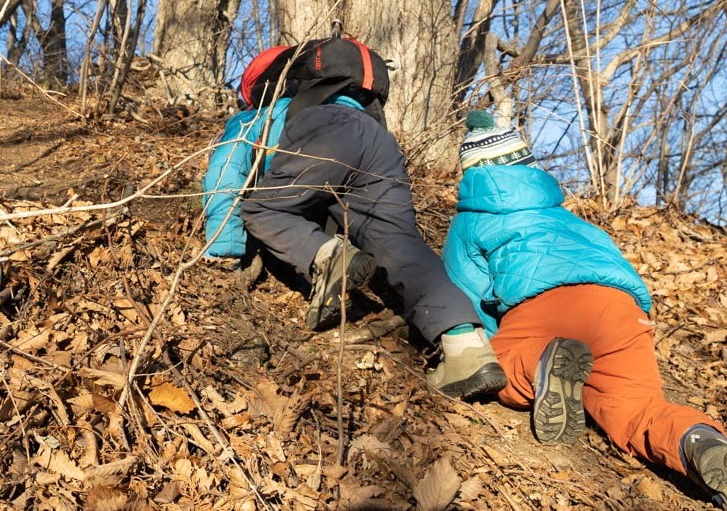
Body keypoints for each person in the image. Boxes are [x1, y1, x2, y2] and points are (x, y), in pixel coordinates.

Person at [442, 109, 727, 511]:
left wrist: (497, 343)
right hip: (623, 313)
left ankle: (541, 362)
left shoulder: (469, 223)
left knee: (496, 362)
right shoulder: (570, 218)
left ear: (469, 176)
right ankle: (697, 438)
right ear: (530, 167)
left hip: (545, 308)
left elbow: (464, 298)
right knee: (637, 409)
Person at [200, 38, 506, 400]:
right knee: (401, 245)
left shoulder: (258, 116)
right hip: (379, 142)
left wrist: (223, 248)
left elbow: (227, 171)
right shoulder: (363, 114)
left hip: (321, 131)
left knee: (265, 208)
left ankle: (330, 258)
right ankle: (466, 348)